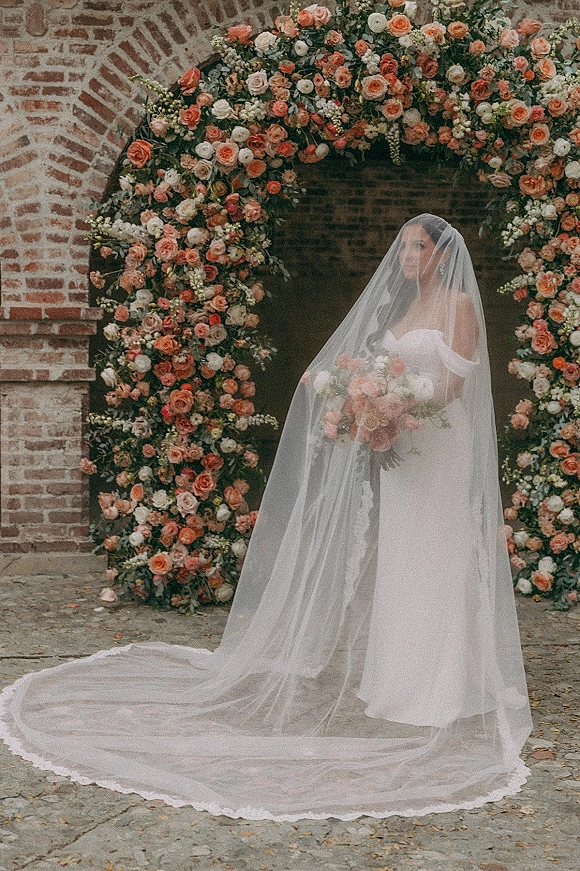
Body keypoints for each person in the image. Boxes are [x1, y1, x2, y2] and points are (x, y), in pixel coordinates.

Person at [0, 214, 532, 821]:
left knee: (441, 551)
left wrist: (391, 400)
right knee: (406, 557)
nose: (407, 256)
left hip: (441, 447)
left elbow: (455, 390)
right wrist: (365, 401)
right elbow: (386, 372)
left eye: (417, 248)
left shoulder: (459, 304)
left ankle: (449, 686)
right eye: (404, 247)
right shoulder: (404, 310)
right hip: (406, 447)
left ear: (440, 254)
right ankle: (400, 679)